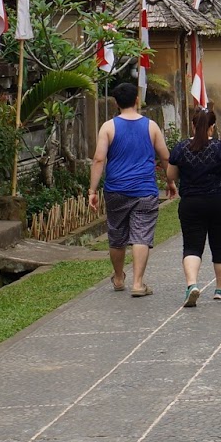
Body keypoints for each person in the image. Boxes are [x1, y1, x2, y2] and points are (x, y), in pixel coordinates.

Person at [88, 82, 176, 298]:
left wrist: (92, 190)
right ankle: (138, 283)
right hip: (145, 189)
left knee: (116, 235)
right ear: (137, 100)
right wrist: (171, 182)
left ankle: (119, 278)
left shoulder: (108, 127)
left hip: (116, 189)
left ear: (116, 103)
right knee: (141, 236)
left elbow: (99, 159)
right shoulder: (151, 126)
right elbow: (165, 157)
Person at [168, 105, 221, 307]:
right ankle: (220, 289)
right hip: (219, 201)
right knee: (219, 243)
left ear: (193, 126)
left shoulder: (180, 148)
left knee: (192, 245)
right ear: (212, 127)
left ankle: (192, 285)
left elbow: (170, 175)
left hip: (191, 203)